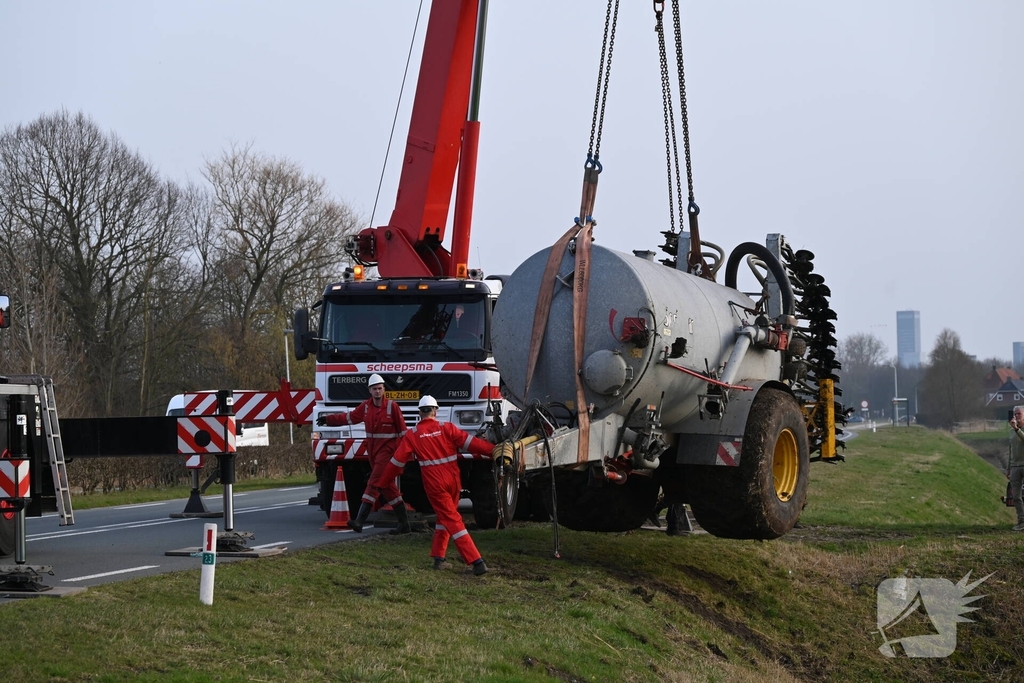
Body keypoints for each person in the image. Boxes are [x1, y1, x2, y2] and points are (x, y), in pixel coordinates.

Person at [378, 395, 494, 575]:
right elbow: (472, 444)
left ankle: (477, 562)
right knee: (445, 517)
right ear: (435, 411)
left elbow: (397, 462)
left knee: (452, 520)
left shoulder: (413, 434)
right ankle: (439, 558)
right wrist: (494, 451)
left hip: (435, 483)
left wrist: (383, 481)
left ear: (419, 413)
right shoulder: (446, 427)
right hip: (453, 480)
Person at [316, 374, 410, 534]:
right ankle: (404, 524)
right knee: (388, 488)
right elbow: (349, 418)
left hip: (387, 453)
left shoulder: (392, 407)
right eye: (374, 389)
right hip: (373, 452)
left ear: (384, 389)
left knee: (374, 483)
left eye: (380, 388)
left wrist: (401, 458)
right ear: (370, 391)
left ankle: (359, 520)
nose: (378, 391)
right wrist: (328, 420)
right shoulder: (365, 407)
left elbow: (403, 433)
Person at [1008, 406, 1024, 531]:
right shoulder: (1011, 432)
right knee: (1016, 496)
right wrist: (1009, 469)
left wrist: (1016, 429)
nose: (1016, 416)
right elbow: (1011, 450)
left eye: (1019, 413)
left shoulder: (1017, 429)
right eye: (1015, 414)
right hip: (1015, 466)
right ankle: (1021, 521)